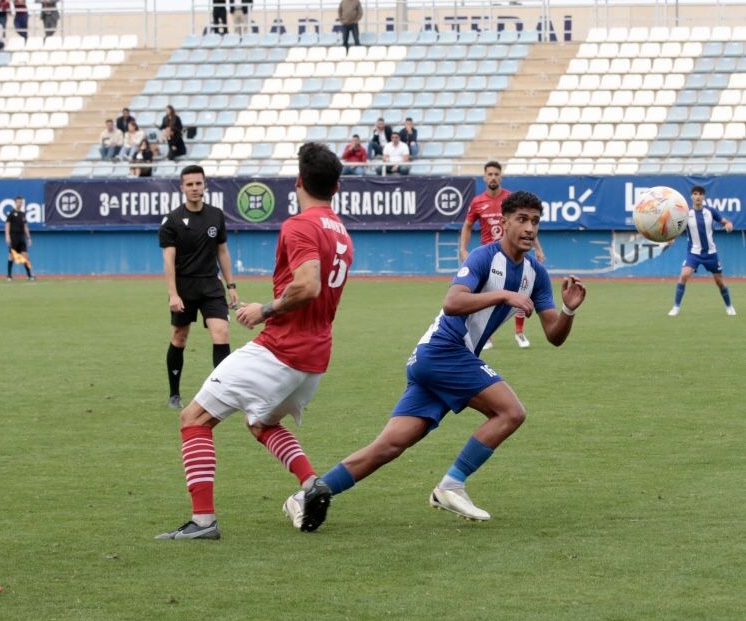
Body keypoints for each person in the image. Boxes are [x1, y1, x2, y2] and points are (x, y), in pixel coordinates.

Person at [301, 191, 585, 532]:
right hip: (443, 350)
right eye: (522, 219)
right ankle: (451, 485)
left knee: (390, 445)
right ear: (503, 222)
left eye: (535, 222)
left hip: (440, 360)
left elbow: (554, 334)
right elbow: (452, 302)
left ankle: (310, 495)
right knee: (511, 412)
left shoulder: (535, 273)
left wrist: (568, 309)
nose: (529, 228)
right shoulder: (483, 257)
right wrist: (503, 294)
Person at [156, 144, 353, 540]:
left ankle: (203, 522)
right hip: (315, 357)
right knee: (261, 422)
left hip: (280, 350)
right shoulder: (340, 230)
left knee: (193, 419)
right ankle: (311, 482)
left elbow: (309, 284)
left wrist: (265, 309)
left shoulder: (300, 225)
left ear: (298, 181)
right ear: (336, 186)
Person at [158, 165, 236, 410]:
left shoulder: (216, 215)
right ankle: (174, 394)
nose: (194, 188)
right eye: (189, 184)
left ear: (205, 185)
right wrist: (173, 293)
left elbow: (222, 251)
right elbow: (168, 259)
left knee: (221, 333)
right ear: (182, 188)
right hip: (185, 286)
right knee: (179, 338)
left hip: (211, 285)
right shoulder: (172, 220)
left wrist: (231, 285)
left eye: (198, 183)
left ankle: (223, 393)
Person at [459, 161, 545, 348]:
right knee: (484, 296)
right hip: (488, 258)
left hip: (511, 255)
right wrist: (463, 249)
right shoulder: (477, 202)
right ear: (484, 177)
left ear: (501, 177)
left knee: (521, 292)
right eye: (489, 174)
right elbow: (467, 226)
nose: (493, 177)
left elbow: (525, 228)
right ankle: (485, 335)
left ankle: (520, 333)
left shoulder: (510, 200)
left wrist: (537, 248)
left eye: (496, 174)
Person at [668, 185, 736, 316]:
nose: (697, 196)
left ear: (703, 197)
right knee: (684, 275)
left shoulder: (710, 211)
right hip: (694, 253)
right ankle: (676, 307)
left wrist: (728, 225)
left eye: (700, 194)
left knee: (719, 281)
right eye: (695, 194)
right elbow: (677, 229)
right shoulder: (686, 214)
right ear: (691, 197)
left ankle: (729, 306)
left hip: (711, 254)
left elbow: (725, 222)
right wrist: (672, 238)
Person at [4, 196, 34, 281]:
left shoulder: (23, 214)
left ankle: (29, 275)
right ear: (15, 202)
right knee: (11, 257)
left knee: (26, 257)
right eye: (18, 202)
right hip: (13, 237)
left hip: (21, 238)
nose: (19, 204)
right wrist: (7, 236)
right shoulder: (11, 213)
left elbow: (25, 227)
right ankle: (9, 276)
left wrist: (29, 238)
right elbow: (7, 225)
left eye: (21, 202)